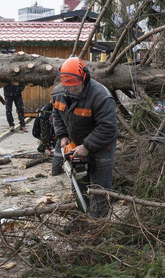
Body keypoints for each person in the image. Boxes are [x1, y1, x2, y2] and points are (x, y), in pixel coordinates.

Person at [51, 57, 118, 218]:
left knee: (99, 189)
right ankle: (81, 218)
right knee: (79, 184)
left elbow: (107, 128)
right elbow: (57, 115)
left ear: (84, 78)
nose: (71, 90)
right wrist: (63, 136)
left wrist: (87, 146)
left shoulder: (101, 96)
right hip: (76, 144)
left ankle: (98, 224)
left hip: (101, 146)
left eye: (75, 87)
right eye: (68, 87)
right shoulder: (59, 92)